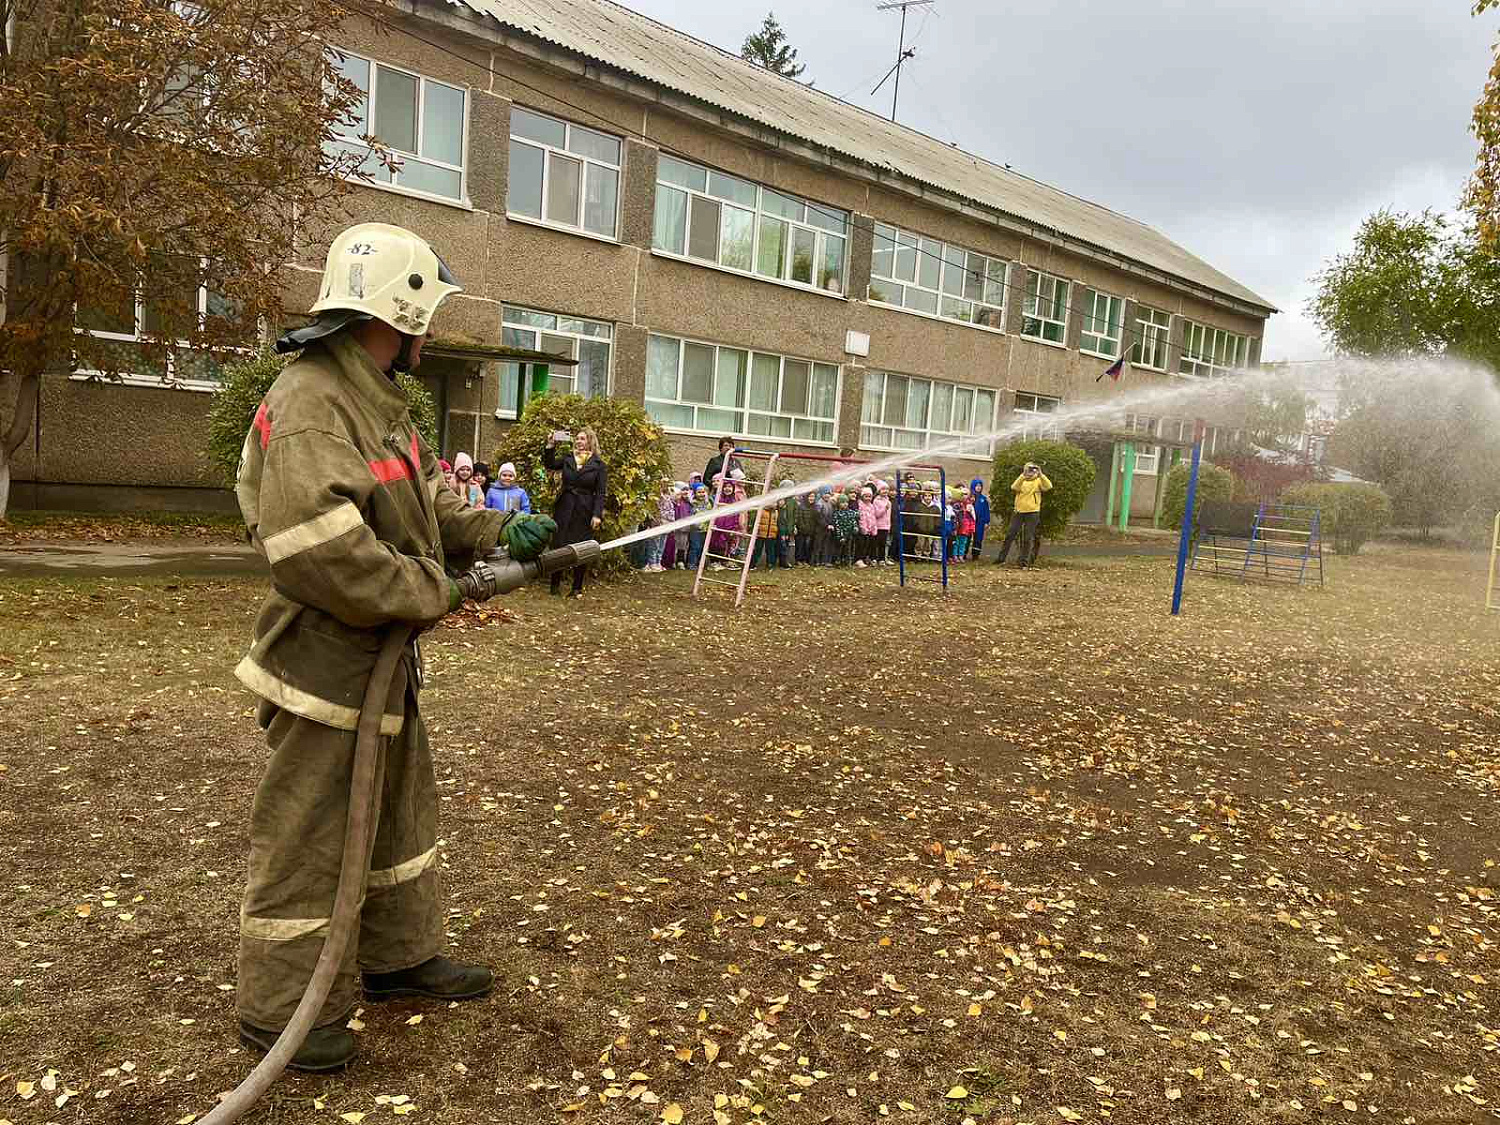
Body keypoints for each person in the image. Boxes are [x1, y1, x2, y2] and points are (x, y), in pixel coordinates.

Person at [232, 222, 556, 1071]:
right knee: (312, 829)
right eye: (426, 317)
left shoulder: (376, 398)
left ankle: (399, 957)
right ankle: (278, 1009)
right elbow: (319, 546)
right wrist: (437, 591)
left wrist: (499, 530)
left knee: (397, 812)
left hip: (382, 659)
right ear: (398, 311)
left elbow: (430, 508)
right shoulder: (311, 399)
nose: (430, 334)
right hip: (326, 662)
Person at [543, 427, 607, 596]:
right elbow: (549, 464)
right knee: (559, 544)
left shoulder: (599, 465)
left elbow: (600, 492)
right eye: (577, 438)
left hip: (585, 509)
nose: (579, 441)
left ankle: (576, 587)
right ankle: (554, 585)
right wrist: (550, 445)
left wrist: (597, 514)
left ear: (590, 442)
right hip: (565, 506)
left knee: (582, 546)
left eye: (582, 439)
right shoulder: (567, 458)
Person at [994, 461, 1052, 567]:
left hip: (1033, 512)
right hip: (1019, 512)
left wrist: (1041, 474)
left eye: (1031, 469)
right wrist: (1023, 475)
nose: (1030, 472)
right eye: (1028, 469)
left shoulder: (1038, 481)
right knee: (1010, 535)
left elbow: (1048, 486)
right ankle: (1001, 558)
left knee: (1027, 538)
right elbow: (1014, 487)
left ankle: (1023, 562)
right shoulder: (1022, 480)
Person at [686, 484, 712, 569]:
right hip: (695, 530)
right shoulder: (692, 504)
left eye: (703, 492)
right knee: (695, 547)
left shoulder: (708, 503)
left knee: (703, 547)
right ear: (695, 493)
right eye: (699, 492)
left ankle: (700, 564)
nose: (701, 494)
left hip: (705, 529)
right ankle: (691, 563)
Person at [855, 485, 877, 568]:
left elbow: (873, 517)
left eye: (869, 496)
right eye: (866, 496)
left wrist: (873, 528)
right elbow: (861, 518)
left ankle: (866, 558)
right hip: (863, 529)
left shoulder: (871, 506)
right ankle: (858, 559)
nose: (868, 498)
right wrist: (863, 527)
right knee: (861, 544)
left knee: (868, 544)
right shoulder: (860, 505)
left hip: (870, 529)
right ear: (862, 496)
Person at [969, 479, 991, 561]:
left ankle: (975, 555)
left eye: (980, 486)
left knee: (978, 538)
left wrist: (987, 521)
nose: (978, 488)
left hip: (980, 522)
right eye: (976, 486)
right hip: (970, 521)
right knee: (967, 538)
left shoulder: (983, 499)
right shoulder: (970, 497)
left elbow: (986, 510)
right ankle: (962, 554)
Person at [873, 481, 892, 566]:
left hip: (886, 526)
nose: (885, 491)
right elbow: (877, 514)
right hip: (878, 526)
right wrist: (885, 509)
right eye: (883, 489)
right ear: (879, 490)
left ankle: (882, 559)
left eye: (887, 489)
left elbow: (889, 515)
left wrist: (889, 524)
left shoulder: (888, 500)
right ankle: (874, 558)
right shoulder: (876, 501)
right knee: (876, 543)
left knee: (883, 544)